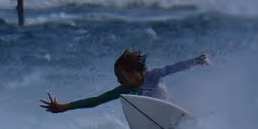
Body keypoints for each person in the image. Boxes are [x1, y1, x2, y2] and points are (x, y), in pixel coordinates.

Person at [40, 49, 210, 113]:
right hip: (155, 115)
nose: (118, 80)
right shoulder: (124, 90)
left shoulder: (153, 75)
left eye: (120, 76)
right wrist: (65, 107)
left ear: (134, 72)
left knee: (186, 108)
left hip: (169, 107)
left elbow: (173, 67)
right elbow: (95, 101)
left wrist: (196, 61)